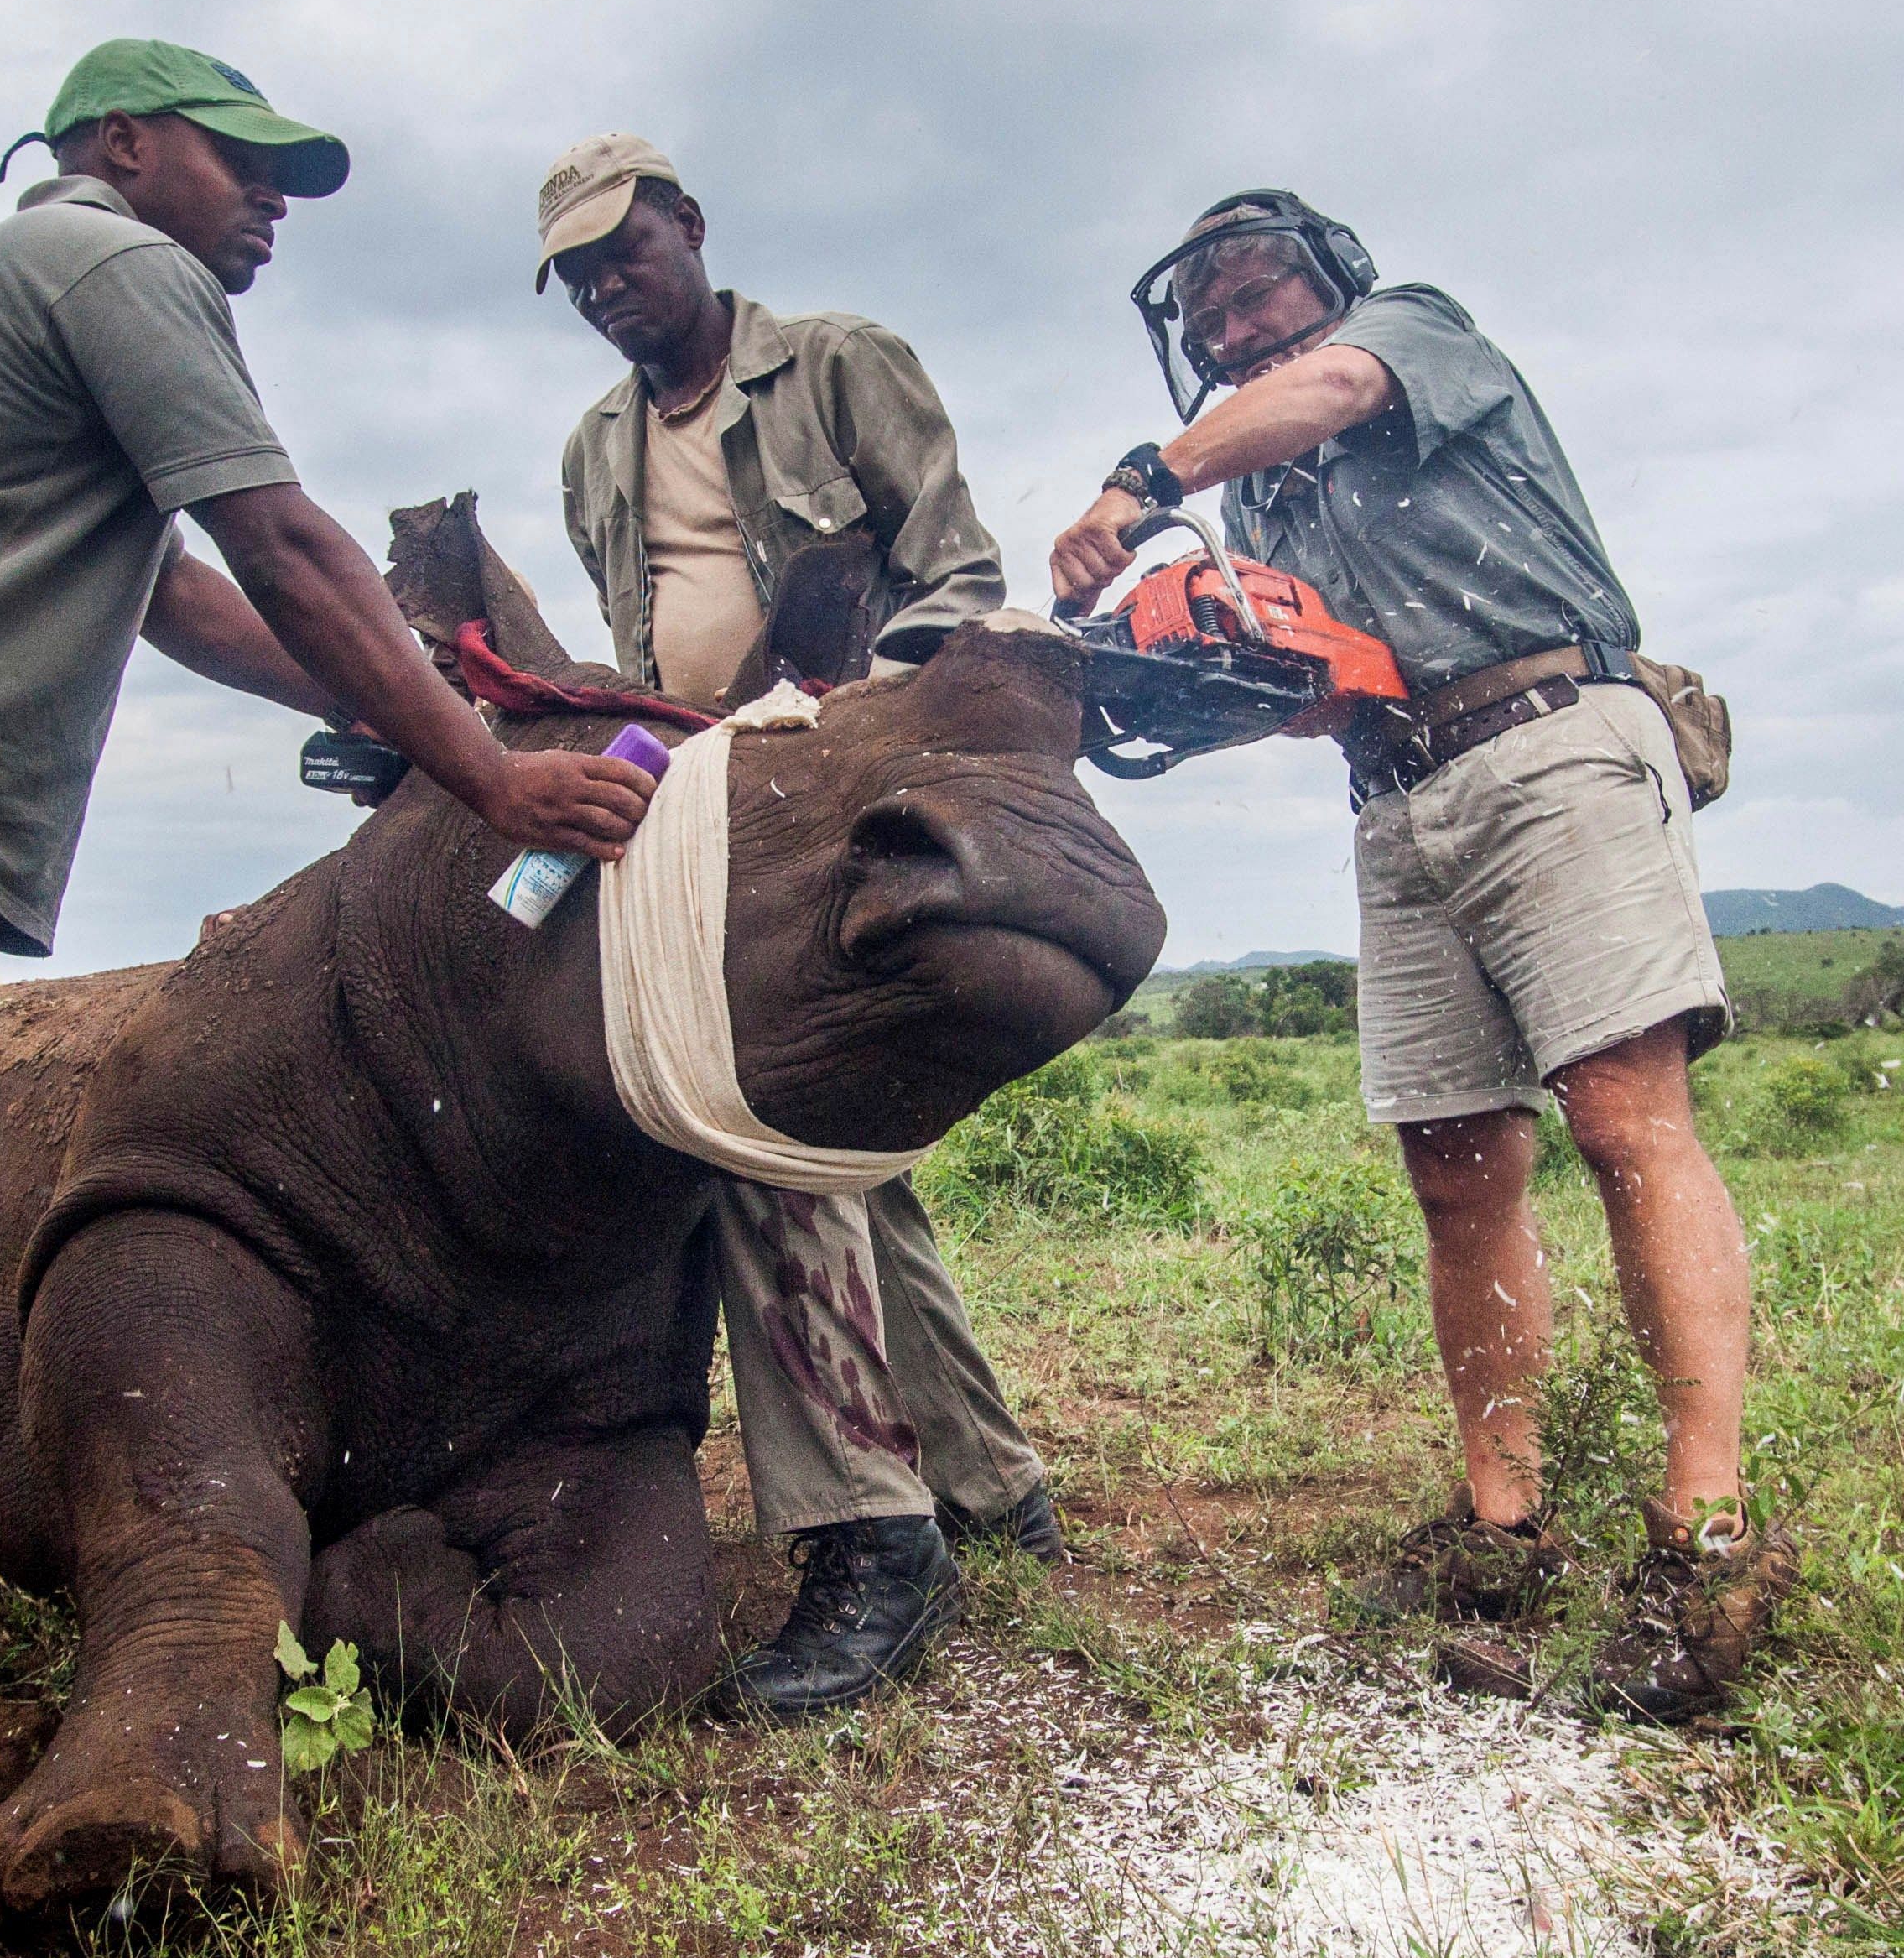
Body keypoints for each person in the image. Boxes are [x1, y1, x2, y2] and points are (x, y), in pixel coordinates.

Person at [0, 44, 655, 1922]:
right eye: (242, 166)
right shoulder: (108, 266)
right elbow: (286, 542)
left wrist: (446, 699)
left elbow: (188, 603)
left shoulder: (51, 314)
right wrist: (488, 769)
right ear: (121, 146)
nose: (271, 208)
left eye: (292, 183)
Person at [1050, 192, 1794, 1722]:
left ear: (1329, 284)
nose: (1243, 331)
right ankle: (1499, 1524)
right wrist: (1189, 678)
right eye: (1213, 330)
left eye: (1259, 297)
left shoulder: (1411, 339)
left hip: (1547, 735)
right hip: (1394, 788)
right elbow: (1317, 680)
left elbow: (1321, 391)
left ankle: (1704, 1535)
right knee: (1455, 1164)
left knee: (1622, 1118)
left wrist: (1143, 481)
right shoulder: (1264, 506)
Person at [535, 133, 1059, 1721]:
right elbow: (638, 654)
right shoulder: (590, 453)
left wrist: (810, 718)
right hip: (698, 802)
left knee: (760, 1123)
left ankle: (866, 1538)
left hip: (844, 783)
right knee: (845, 1157)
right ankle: (982, 1486)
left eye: (627, 254)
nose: (609, 291)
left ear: (689, 227)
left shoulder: (836, 367)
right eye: (577, 278)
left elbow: (962, 581)